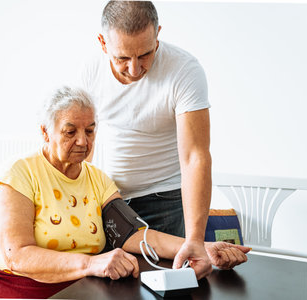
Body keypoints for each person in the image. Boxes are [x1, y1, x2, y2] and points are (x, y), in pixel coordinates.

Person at [0, 86, 249, 298]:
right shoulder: (19, 172)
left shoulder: (97, 179)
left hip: (74, 286)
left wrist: (200, 247)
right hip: (5, 284)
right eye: (70, 132)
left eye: (90, 130)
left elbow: (132, 234)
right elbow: (17, 256)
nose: (83, 141)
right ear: (46, 133)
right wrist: (92, 263)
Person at [80, 1, 212, 270]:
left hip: (165, 199)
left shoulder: (184, 70)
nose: (134, 68)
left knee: (165, 286)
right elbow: (84, 145)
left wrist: (196, 239)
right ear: (103, 43)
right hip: (109, 201)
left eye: (145, 55)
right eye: (122, 58)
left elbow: (195, 157)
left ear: (157, 35)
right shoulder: (91, 70)